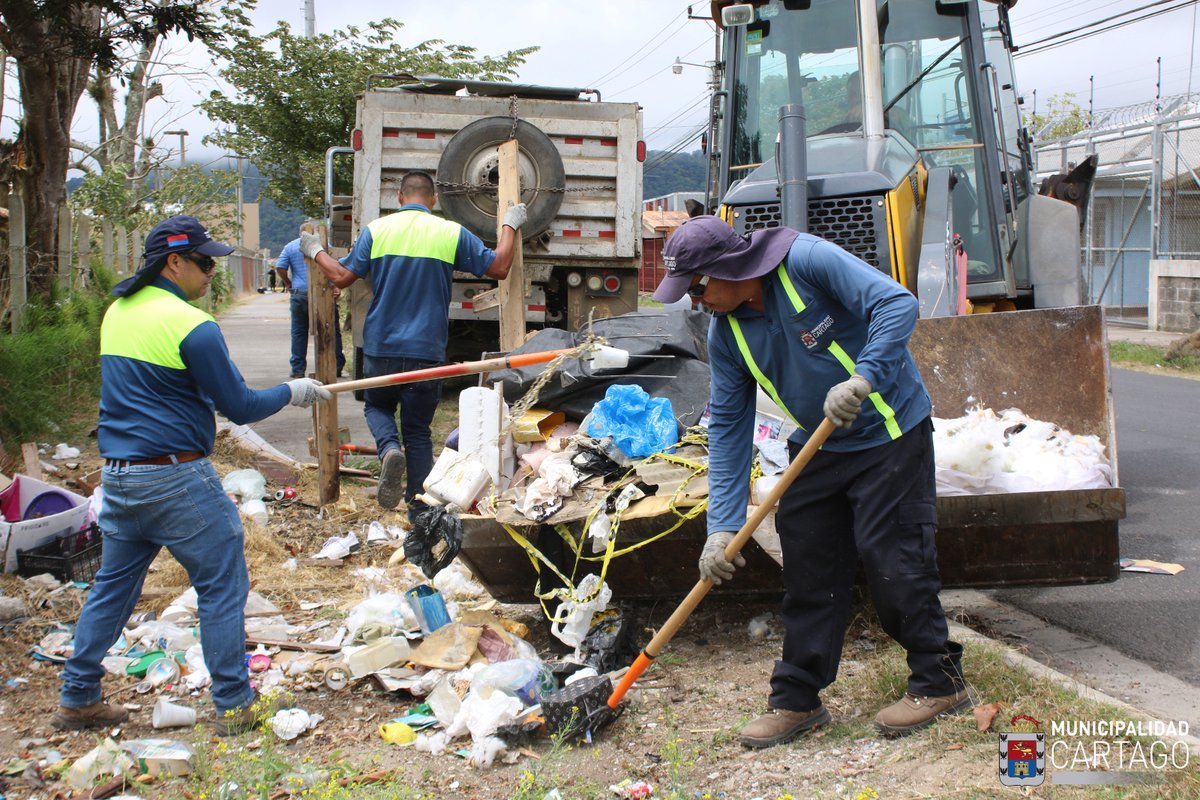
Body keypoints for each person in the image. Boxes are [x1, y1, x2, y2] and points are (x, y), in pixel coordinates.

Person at [652, 216, 970, 748]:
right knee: (808, 569)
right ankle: (796, 699)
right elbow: (730, 428)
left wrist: (863, 377)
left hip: (888, 429)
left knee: (894, 560)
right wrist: (721, 529)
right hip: (819, 443)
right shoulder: (725, 333)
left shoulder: (806, 261)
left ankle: (939, 681)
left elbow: (897, 303)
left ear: (730, 268)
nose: (696, 301)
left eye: (699, 288)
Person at [51, 215, 331, 736]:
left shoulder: (118, 312)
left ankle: (78, 695)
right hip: (175, 477)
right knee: (223, 582)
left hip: (119, 477)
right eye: (203, 263)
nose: (211, 274)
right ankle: (233, 702)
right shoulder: (192, 326)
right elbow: (240, 406)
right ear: (173, 262)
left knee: (113, 587)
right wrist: (295, 390)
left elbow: (158, 387)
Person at [302, 171, 527, 514]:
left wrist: (315, 250)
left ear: (400, 198)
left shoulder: (378, 230)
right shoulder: (449, 232)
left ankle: (389, 449)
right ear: (433, 200)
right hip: (426, 350)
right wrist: (510, 224)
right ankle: (419, 509)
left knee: (377, 406)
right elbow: (499, 266)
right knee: (419, 430)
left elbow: (341, 277)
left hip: (381, 346)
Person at [276, 221, 347, 379]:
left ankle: (298, 368)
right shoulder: (324, 246)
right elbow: (337, 265)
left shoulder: (290, 247)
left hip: (299, 293)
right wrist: (334, 285)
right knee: (330, 329)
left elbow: (280, 266)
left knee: (299, 332)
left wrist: (288, 283)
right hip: (323, 292)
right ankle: (336, 366)